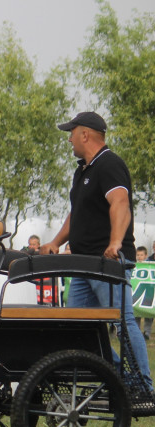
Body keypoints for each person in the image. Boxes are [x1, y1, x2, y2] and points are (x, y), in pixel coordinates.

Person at [38, 111, 150, 382]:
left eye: (71, 133)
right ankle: (115, 375)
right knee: (77, 328)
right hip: (82, 263)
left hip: (106, 262)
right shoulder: (83, 170)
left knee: (121, 323)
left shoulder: (109, 163)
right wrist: (55, 241)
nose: (69, 141)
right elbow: (76, 214)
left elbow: (120, 203)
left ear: (84, 134)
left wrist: (115, 242)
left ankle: (142, 384)